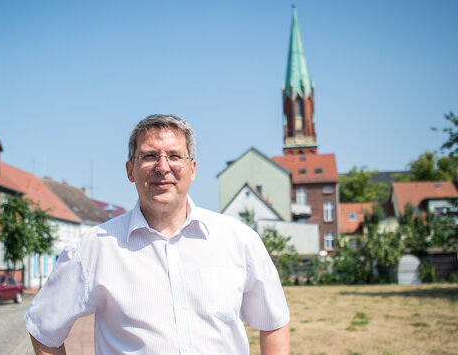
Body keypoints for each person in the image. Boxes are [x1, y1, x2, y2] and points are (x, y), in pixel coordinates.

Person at [24, 114, 290, 354]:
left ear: (193, 169)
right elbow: (44, 329)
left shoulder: (239, 240)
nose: (163, 167)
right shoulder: (92, 250)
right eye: (150, 156)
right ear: (130, 170)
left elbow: (274, 322)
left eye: (175, 156)